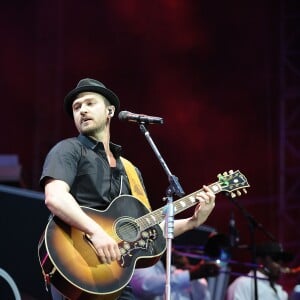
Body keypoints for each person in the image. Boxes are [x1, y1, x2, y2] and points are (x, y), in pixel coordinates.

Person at [39, 78, 217, 300]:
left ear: (110, 111)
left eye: (90, 103)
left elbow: (147, 228)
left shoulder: (130, 170)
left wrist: (193, 222)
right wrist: (95, 232)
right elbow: (55, 198)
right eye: (77, 107)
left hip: (118, 277)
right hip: (77, 264)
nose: (82, 110)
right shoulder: (68, 150)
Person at [131, 249, 220, 300]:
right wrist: (192, 274)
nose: (172, 249)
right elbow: (146, 286)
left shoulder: (174, 270)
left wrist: (195, 278)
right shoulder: (141, 261)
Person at [226, 241, 294, 300]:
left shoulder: (280, 291)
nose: (280, 265)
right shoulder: (243, 284)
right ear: (260, 260)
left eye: (283, 261)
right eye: (276, 259)